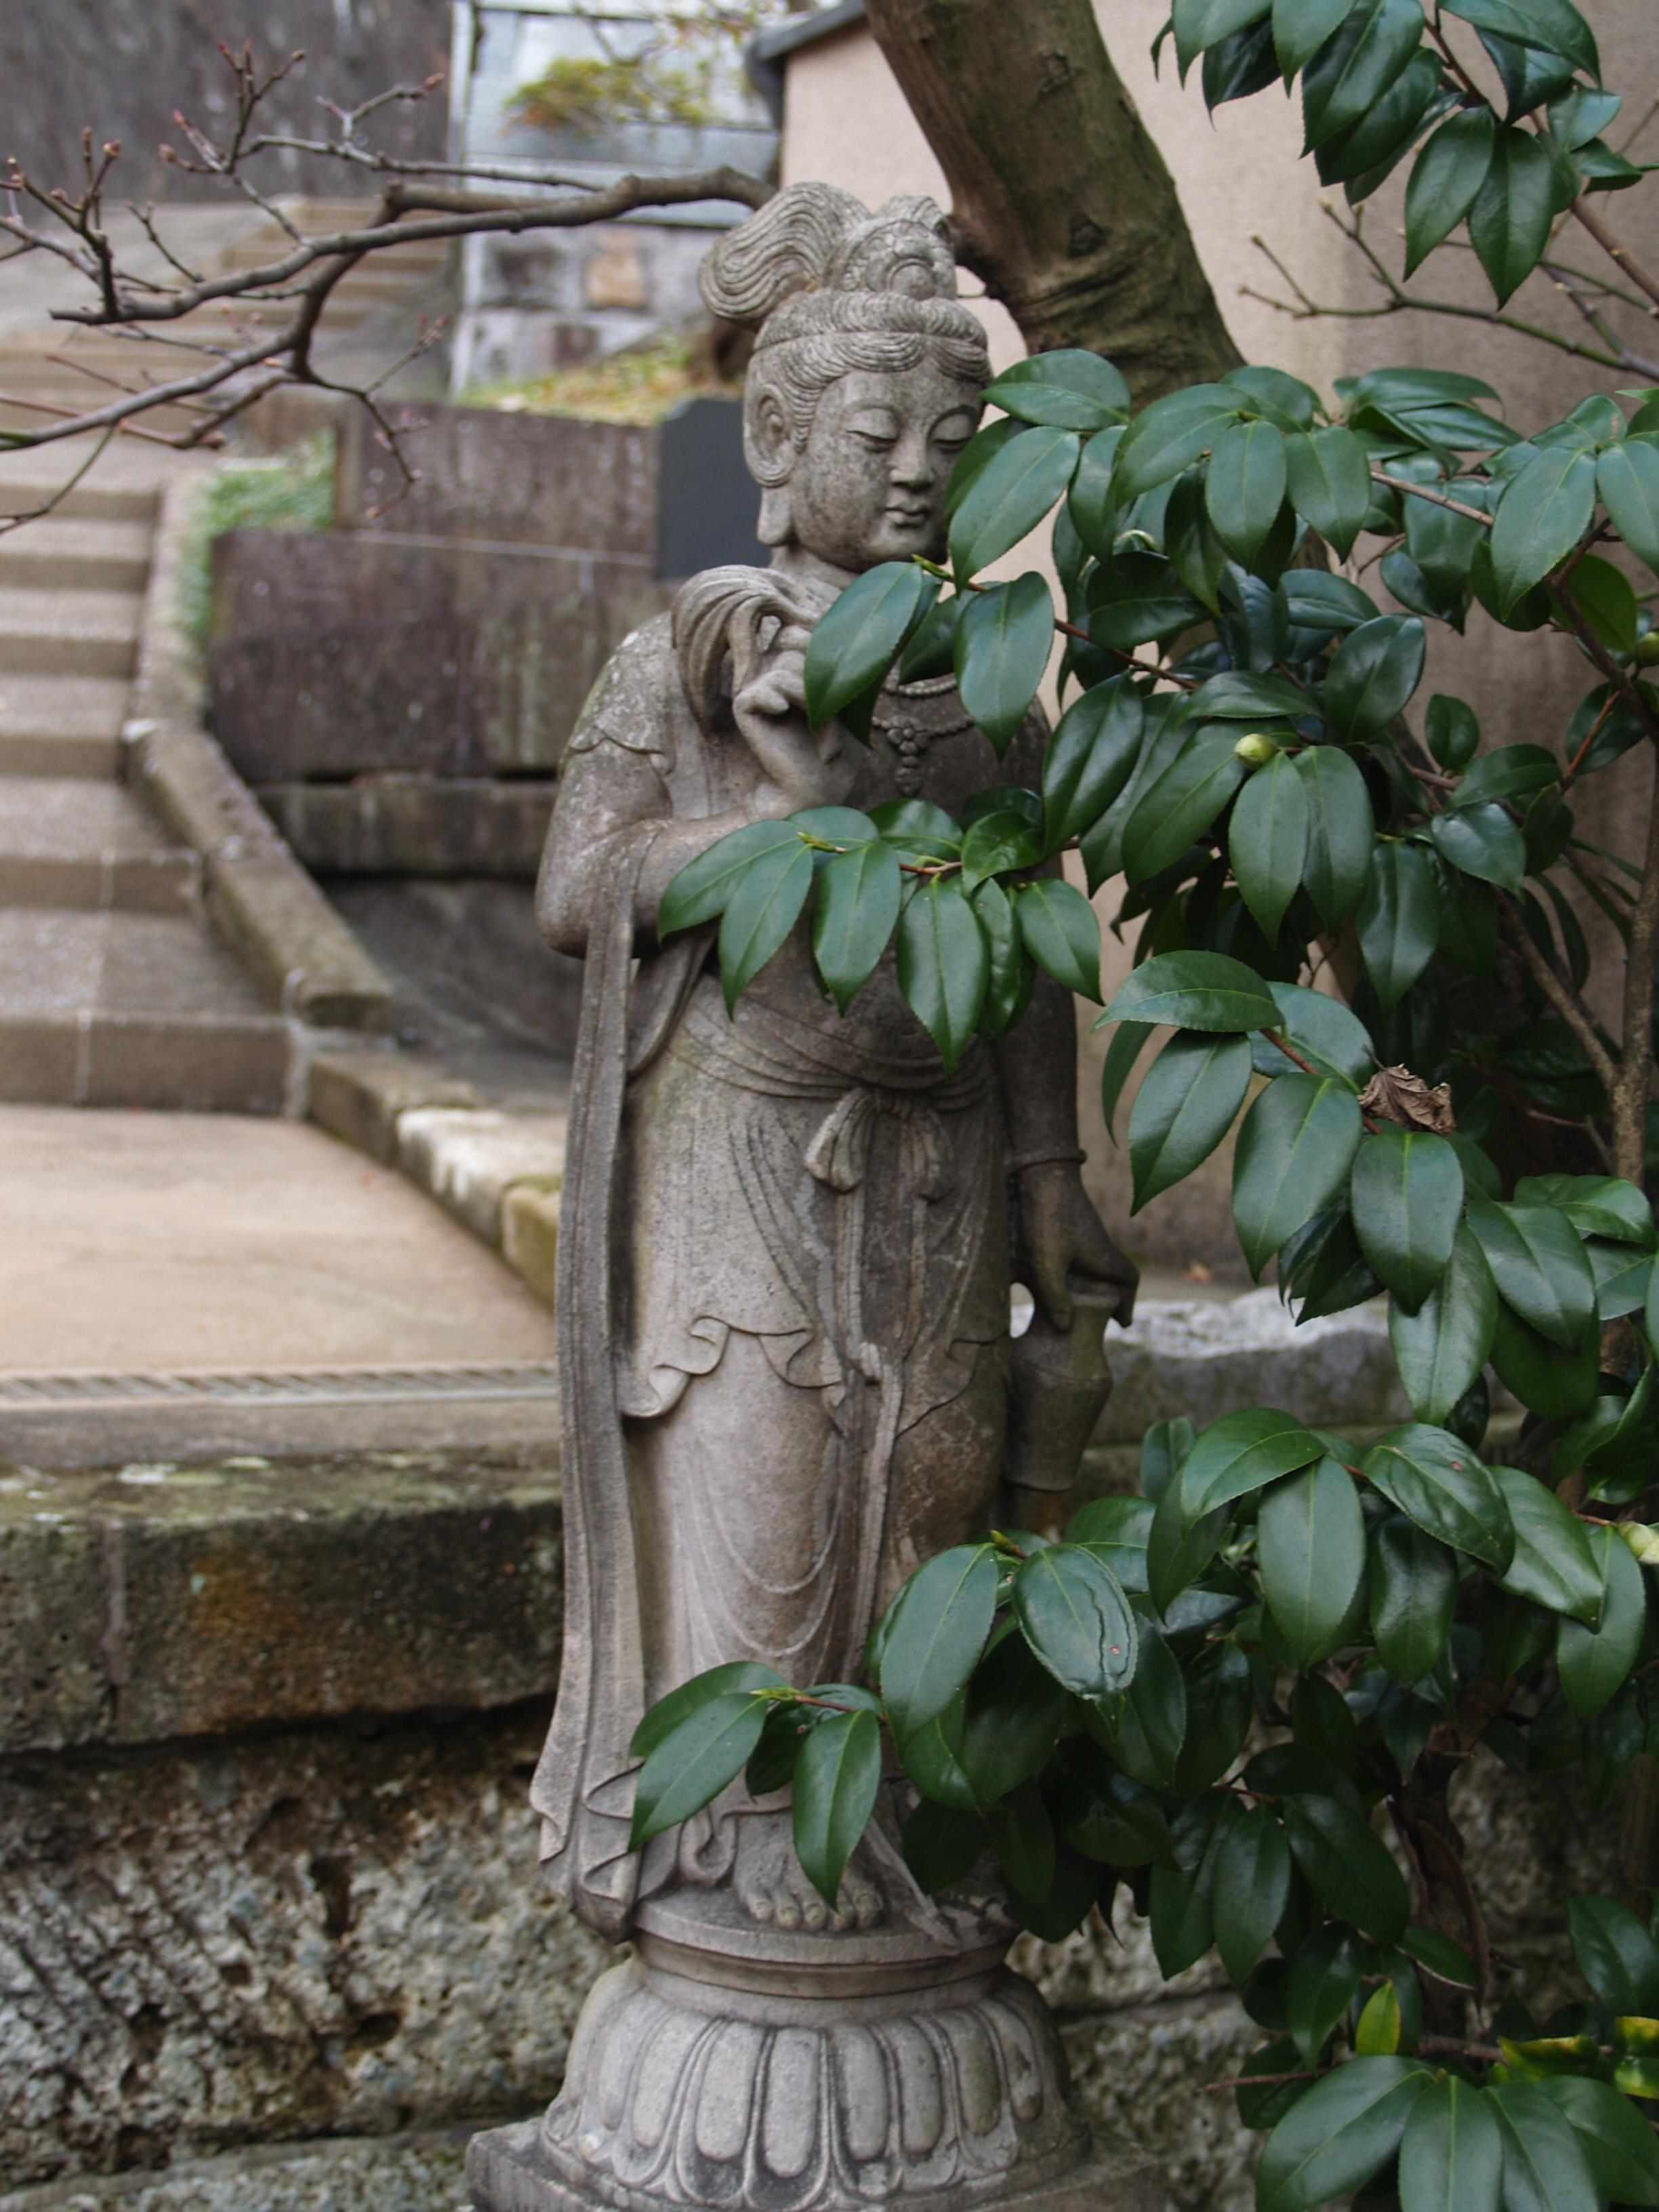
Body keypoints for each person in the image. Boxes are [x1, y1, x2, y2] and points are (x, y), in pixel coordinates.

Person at [530, 184, 1137, 1946]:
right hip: (741, 1165)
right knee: (767, 1538)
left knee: (925, 1533)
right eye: (879, 437)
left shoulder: (988, 685)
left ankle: (897, 1848)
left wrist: (1050, 1178)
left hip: (942, 1175)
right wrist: (769, 833)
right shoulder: (692, 662)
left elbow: (1025, 961)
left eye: (956, 437)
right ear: (778, 444)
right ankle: (740, 1864)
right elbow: (577, 889)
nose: (921, 473)